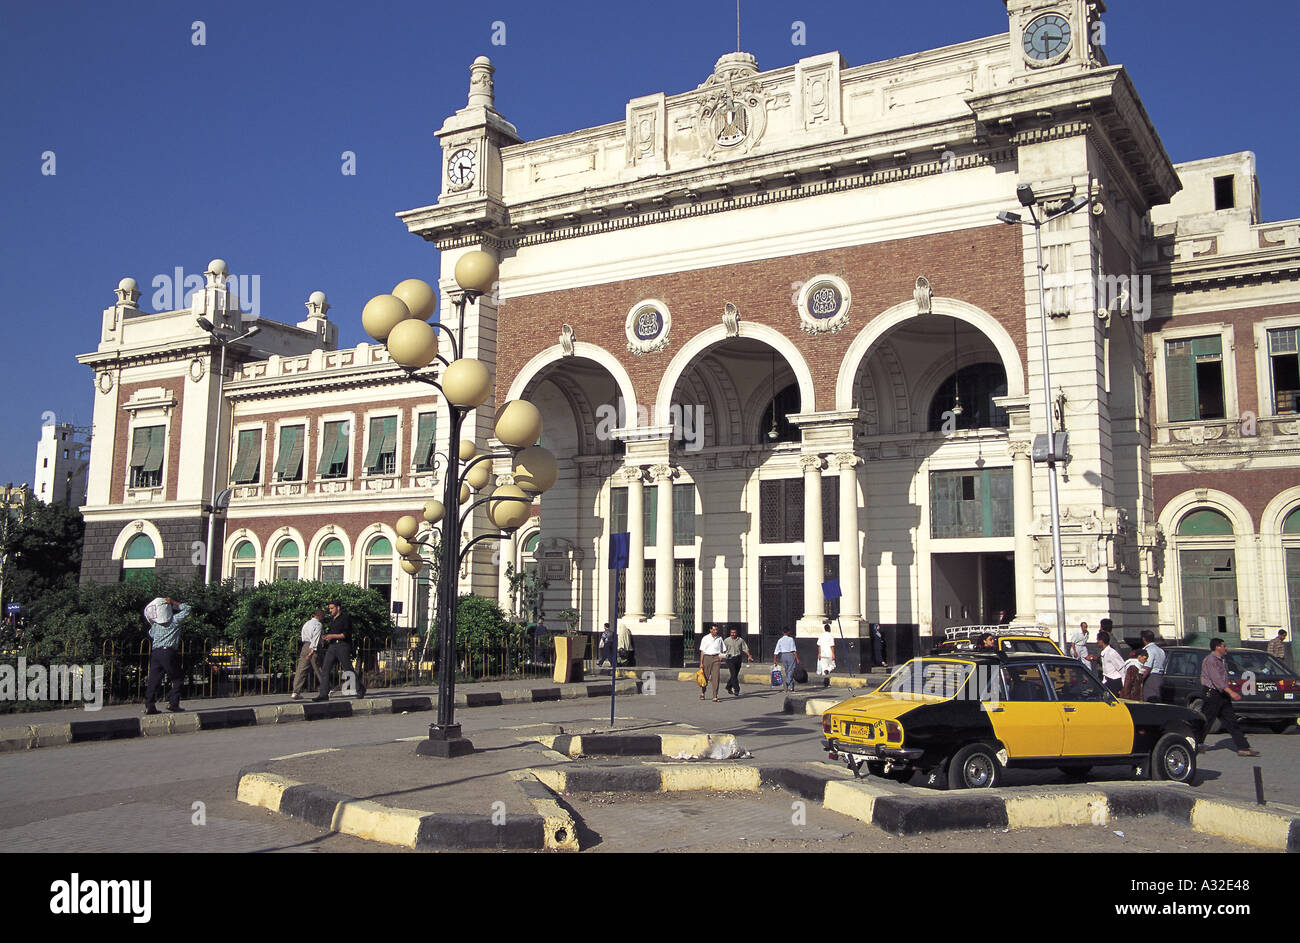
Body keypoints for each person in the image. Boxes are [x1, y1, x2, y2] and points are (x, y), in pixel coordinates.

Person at [1201, 638, 1260, 757]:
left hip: (1222, 694)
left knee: (1231, 721)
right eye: (1224, 646)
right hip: (1212, 694)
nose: (1226, 648)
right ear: (1217, 647)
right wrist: (1231, 692)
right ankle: (1194, 744)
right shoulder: (1210, 660)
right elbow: (1216, 680)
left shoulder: (1222, 660)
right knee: (1206, 721)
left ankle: (1243, 747)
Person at [143, 596, 192, 714]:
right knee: (177, 677)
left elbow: (151, 633)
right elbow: (187, 609)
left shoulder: (156, 625)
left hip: (156, 653)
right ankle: (173, 703)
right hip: (168, 652)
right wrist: (174, 602)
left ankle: (149, 706)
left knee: (154, 680)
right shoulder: (174, 621)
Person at [314, 600, 366, 701]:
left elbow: (345, 634)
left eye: (332, 608)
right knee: (325, 668)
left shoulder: (345, 619)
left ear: (338, 608)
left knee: (347, 668)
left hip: (342, 645)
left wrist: (331, 636)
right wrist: (326, 638)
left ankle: (360, 689)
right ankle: (323, 694)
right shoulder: (332, 619)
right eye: (329, 608)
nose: (330, 610)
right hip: (332, 646)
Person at [290, 609, 325, 700]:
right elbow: (316, 639)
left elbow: (303, 636)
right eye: (323, 617)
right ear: (320, 616)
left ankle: (295, 691)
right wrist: (312, 651)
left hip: (305, 645)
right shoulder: (318, 625)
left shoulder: (307, 623)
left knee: (301, 669)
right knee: (318, 668)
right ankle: (326, 689)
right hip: (313, 648)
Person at [698, 624, 726, 702]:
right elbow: (702, 651)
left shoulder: (719, 638)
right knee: (705, 677)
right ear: (710, 630)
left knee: (716, 677)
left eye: (716, 630)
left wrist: (721, 656)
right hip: (707, 658)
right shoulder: (705, 638)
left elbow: (723, 649)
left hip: (716, 658)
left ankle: (715, 695)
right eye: (713, 630)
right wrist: (701, 663)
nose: (715, 631)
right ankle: (703, 693)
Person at [1138, 629, 1166, 702]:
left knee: (1150, 700)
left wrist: (1139, 680)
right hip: (1159, 677)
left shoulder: (1149, 650)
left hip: (1151, 678)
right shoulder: (1160, 650)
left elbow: (1147, 668)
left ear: (1143, 639)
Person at [723, 627, 751, 696]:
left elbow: (745, 648)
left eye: (734, 633)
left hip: (738, 658)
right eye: (731, 633)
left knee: (735, 674)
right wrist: (721, 656)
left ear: (736, 633)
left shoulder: (740, 640)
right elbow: (723, 649)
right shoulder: (726, 640)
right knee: (733, 674)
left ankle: (728, 686)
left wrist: (749, 655)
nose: (733, 634)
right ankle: (736, 689)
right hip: (730, 659)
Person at [1096, 630, 1124, 695]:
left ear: (1101, 641)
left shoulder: (1111, 653)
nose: (1097, 642)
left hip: (1115, 682)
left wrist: (1123, 687)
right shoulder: (1104, 653)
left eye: (1098, 640)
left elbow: (1122, 668)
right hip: (1108, 682)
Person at [774, 627, 800, 692]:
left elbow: (776, 651)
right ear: (788, 632)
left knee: (787, 670)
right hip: (790, 655)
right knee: (791, 670)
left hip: (783, 655)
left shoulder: (780, 640)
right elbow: (793, 650)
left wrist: (775, 660)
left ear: (782, 633)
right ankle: (787, 682)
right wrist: (797, 658)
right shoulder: (791, 639)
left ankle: (791, 687)